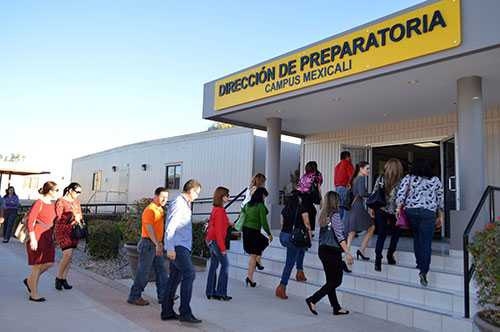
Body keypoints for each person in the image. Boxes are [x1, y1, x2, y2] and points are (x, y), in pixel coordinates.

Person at [396, 158, 443, 287]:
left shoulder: (408, 178)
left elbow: (400, 194)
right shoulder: (435, 180)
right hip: (428, 213)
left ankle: (419, 262)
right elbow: (440, 198)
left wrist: (398, 208)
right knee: (426, 242)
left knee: (417, 237)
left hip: (411, 212)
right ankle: (424, 270)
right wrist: (440, 215)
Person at [305, 191, 353, 316]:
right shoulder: (335, 215)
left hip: (323, 250)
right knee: (336, 281)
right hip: (332, 251)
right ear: (335, 201)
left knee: (330, 281)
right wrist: (348, 253)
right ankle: (313, 299)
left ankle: (336, 308)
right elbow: (339, 236)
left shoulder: (323, 215)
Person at [161, 179, 202, 324]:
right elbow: (170, 226)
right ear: (191, 191)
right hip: (178, 247)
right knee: (189, 275)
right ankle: (185, 313)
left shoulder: (184, 203)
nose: (197, 196)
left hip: (181, 246)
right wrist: (170, 247)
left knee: (174, 279)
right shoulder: (179, 203)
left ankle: (167, 311)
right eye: (197, 193)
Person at [127, 187, 169, 306]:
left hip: (155, 244)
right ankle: (135, 295)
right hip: (149, 244)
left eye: (166, 197)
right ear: (155, 196)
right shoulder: (150, 210)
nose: (164, 199)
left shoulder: (159, 209)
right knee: (143, 272)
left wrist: (159, 244)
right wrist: (157, 244)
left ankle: (164, 295)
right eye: (162, 197)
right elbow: (149, 229)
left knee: (161, 271)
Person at [23, 181, 59, 302]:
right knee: (37, 264)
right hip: (38, 234)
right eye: (56, 190)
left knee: (49, 262)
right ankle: (33, 293)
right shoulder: (39, 202)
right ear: (50, 191)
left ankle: (29, 281)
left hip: (48, 235)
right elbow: (30, 220)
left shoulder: (52, 204)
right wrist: (33, 238)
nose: (58, 192)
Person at [275, 189, 311, 299]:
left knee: (301, 248)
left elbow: (281, 224)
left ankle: (300, 272)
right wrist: (309, 237)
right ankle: (282, 286)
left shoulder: (285, 209)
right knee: (289, 263)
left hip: (283, 236)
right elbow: (307, 223)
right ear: (299, 198)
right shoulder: (302, 208)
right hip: (293, 238)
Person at [370, 159, 404, 272]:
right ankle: (390, 254)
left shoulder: (381, 178)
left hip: (381, 208)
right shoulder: (401, 180)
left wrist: (373, 208)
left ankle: (378, 260)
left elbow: (375, 192)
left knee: (381, 234)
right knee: (396, 233)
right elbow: (402, 197)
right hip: (396, 211)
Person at [205, 187, 235, 301]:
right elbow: (217, 230)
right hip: (216, 241)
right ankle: (221, 292)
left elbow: (218, 223)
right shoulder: (219, 211)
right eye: (227, 195)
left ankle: (210, 291)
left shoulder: (217, 209)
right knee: (226, 265)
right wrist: (222, 248)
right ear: (221, 197)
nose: (228, 197)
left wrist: (229, 223)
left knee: (214, 265)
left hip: (211, 240)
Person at [54, 182, 83, 290]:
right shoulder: (61, 201)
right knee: (67, 254)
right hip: (62, 230)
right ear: (70, 190)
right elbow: (58, 216)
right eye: (77, 192)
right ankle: (58, 277)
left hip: (73, 230)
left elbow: (80, 214)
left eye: (80, 192)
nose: (78, 194)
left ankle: (64, 278)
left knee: (69, 256)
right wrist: (70, 218)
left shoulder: (77, 202)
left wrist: (78, 217)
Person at [344, 162, 375, 263]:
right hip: (358, 207)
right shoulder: (361, 178)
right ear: (361, 169)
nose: (369, 171)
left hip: (351, 207)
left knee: (351, 232)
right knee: (371, 227)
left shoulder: (354, 178)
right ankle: (361, 250)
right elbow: (362, 193)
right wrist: (373, 194)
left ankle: (346, 257)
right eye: (367, 168)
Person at [242, 187, 273, 287]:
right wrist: (269, 233)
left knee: (252, 255)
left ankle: (250, 277)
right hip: (254, 231)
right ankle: (258, 260)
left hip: (246, 230)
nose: (264, 198)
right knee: (264, 242)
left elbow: (241, 216)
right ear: (261, 195)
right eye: (264, 196)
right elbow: (264, 222)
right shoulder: (260, 206)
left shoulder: (247, 205)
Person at [297, 161, 323, 233]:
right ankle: (309, 231)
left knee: (303, 212)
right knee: (311, 212)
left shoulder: (304, 176)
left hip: (300, 196)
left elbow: (299, 187)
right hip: (309, 196)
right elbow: (318, 187)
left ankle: (303, 230)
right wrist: (320, 199)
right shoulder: (317, 174)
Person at [334, 151, 354, 219]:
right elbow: (352, 177)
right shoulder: (347, 164)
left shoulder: (338, 165)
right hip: (344, 188)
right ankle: (343, 227)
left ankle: (336, 226)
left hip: (337, 189)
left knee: (338, 208)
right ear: (347, 157)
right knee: (345, 208)